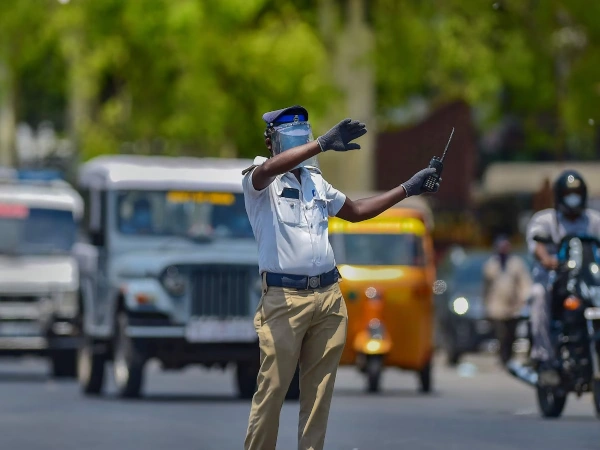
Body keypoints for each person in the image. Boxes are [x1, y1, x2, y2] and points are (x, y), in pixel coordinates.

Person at [242, 105, 441, 450]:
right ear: (271, 142)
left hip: (328, 296)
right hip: (284, 300)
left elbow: (357, 211)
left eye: (301, 137)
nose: (297, 146)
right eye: (289, 139)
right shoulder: (261, 179)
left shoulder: (315, 181)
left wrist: (408, 188)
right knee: (272, 390)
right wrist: (321, 144)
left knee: (318, 396)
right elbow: (269, 170)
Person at [526, 170, 600, 382]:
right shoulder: (545, 220)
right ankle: (545, 358)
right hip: (554, 281)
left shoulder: (594, 221)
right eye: (568, 193)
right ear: (559, 195)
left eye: (576, 193)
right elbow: (538, 245)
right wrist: (548, 260)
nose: (573, 197)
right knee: (538, 296)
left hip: (587, 282)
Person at [482, 234, 531, 365]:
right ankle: (502, 358)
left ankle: (509, 357)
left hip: (513, 306)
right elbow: (486, 287)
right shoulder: (491, 264)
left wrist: (525, 297)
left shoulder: (516, 263)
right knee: (501, 334)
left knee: (511, 334)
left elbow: (524, 283)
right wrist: (485, 304)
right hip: (496, 306)